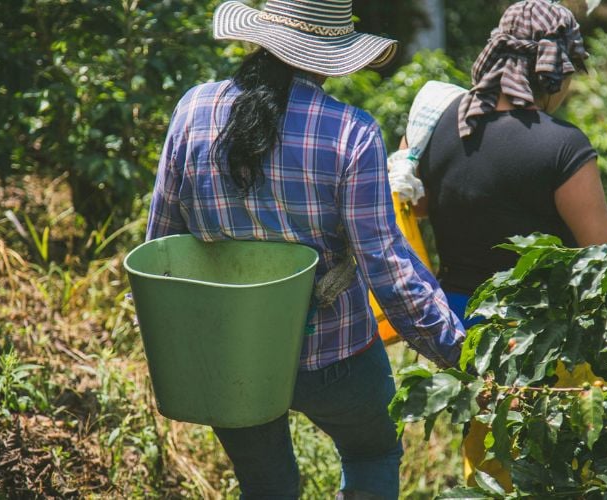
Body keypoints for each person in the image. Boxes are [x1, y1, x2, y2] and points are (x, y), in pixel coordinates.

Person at [145, 1, 466, 498]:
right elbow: (386, 265)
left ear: (259, 38)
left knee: (266, 483)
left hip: (230, 355)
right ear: (329, 55)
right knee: (372, 452)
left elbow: (162, 246)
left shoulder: (192, 110)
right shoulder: (351, 133)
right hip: (335, 354)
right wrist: (455, 350)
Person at [400, 0, 607, 326]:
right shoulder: (563, 144)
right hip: (527, 335)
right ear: (558, 72)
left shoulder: (435, 122)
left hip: (446, 321)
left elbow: (418, 205)